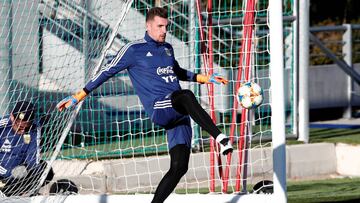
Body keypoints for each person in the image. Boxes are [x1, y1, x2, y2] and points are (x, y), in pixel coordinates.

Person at [56, 7, 233, 203]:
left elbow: (178, 72)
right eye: (159, 26)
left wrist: (205, 78)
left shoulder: (167, 48)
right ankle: (220, 138)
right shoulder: (134, 50)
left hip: (178, 110)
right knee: (186, 96)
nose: (164, 31)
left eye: (166, 26)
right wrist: (78, 96)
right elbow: (106, 72)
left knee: (179, 167)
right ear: (148, 26)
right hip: (160, 108)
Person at [0, 101, 54, 196]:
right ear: (12, 117)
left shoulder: (34, 128)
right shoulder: (2, 126)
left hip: (18, 173)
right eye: (20, 126)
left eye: (26, 127)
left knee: (46, 170)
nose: (23, 130)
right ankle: (12, 190)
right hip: (2, 173)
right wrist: (9, 173)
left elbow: (33, 158)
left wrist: (32, 173)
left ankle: (24, 192)